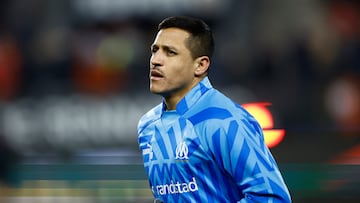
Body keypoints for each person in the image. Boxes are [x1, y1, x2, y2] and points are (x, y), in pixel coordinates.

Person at [137, 16, 291, 202]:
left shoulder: (225, 120)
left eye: (170, 52)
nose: (156, 60)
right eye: (155, 50)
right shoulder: (148, 126)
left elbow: (272, 197)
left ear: (200, 65)